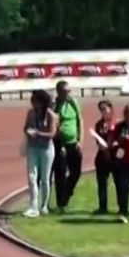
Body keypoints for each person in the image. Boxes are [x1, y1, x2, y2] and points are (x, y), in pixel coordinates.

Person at [21, 89, 60, 219]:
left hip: (46, 149)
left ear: (42, 102)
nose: (33, 104)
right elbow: (25, 127)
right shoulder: (31, 113)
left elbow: (52, 133)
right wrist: (28, 132)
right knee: (32, 177)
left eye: (35, 101)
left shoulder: (50, 115)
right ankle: (33, 206)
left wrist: (38, 133)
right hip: (33, 147)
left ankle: (44, 205)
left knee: (45, 178)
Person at [51, 80, 84, 213]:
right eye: (65, 91)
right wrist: (61, 144)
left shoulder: (73, 103)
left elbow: (80, 119)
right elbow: (55, 124)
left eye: (69, 91)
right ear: (59, 91)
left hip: (74, 143)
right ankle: (61, 203)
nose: (68, 94)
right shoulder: (55, 105)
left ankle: (67, 193)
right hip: (60, 144)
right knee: (60, 173)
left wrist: (80, 140)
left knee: (76, 172)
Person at [90, 99, 117, 215]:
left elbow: (119, 139)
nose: (103, 112)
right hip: (102, 157)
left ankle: (122, 206)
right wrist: (102, 146)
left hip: (115, 157)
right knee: (102, 183)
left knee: (119, 182)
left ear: (110, 109)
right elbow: (97, 139)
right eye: (101, 110)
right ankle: (103, 207)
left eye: (105, 109)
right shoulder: (99, 124)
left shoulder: (117, 123)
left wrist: (113, 146)